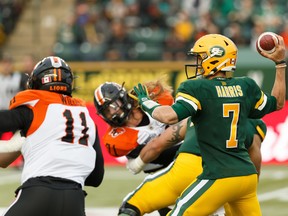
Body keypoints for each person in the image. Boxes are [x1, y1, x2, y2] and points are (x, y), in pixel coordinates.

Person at [132, 33, 286, 215]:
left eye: (201, 57)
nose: (197, 63)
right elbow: (277, 103)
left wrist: (145, 102)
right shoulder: (246, 86)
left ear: (215, 58)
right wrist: (280, 64)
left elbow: (169, 117)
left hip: (219, 174)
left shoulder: (197, 88)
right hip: (247, 177)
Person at [0, 56, 104, 216]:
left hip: (37, 193)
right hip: (74, 200)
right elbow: (96, 178)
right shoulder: (86, 118)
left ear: (36, 82)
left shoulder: (34, 109)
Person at [118, 118, 267, 216]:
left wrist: (137, 164)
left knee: (132, 205)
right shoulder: (251, 121)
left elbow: (158, 144)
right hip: (236, 175)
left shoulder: (196, 112)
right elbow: (254, 158)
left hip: (188, 167)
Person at [93, 80, 180, 216]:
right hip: (163, 175)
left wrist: (140, 161)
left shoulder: (155, 99)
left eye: (113, 106)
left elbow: (157, 146)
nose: (111, 113)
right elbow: (159, 153)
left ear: (123, 98)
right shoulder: (115, 139)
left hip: (189, 159)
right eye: (106, 111)